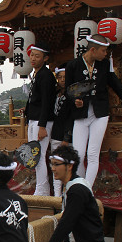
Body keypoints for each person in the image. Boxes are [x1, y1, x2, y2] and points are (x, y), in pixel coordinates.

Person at [65, 34, 122, 189]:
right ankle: (80, 186)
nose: (105, 54)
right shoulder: (73, 65)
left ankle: (86, 189)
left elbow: (116, 85)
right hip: (80, 115)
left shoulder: (105, 64)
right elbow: (68, 91)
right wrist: (75, 101)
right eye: (103, 51)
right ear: (93, 50)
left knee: (93, 153)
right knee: (78, 155)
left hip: (100, 114)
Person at [23, 42, 56, 196]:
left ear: (45, 58)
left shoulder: (46, 76)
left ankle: (42, 190)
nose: (33, 58)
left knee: (39, 155)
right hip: (34, 119)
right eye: (32, 55)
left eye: (37, 56)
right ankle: (41, 188)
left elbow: (46, 103)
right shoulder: (38, 74)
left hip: (42, 121)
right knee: (35, 155)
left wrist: (42, 126)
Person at [50, 63, 73, 197]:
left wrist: (66, 138)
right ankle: (57, 195)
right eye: (60, 77)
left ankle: (68, 194)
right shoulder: (55, 94)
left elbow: (71, 118)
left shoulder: (72, 94)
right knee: (55, 166)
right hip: (55, 134)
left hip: (67, 135)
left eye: (65, 77)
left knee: (67, 167)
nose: (63, 80)